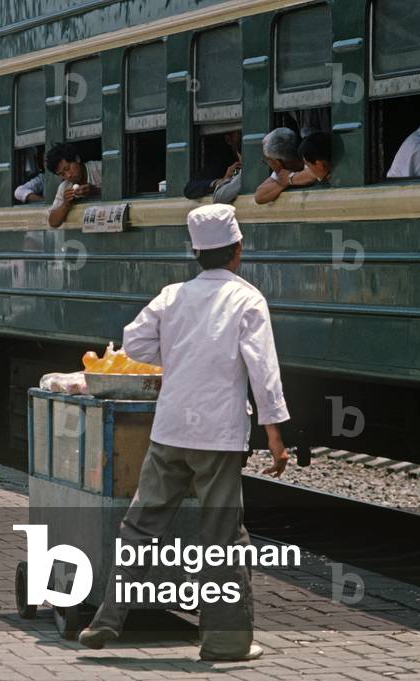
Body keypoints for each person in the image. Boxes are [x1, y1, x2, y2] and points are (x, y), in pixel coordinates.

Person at [77, 203, 290, 661]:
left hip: (170, 430)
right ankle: (225, 642)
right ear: (238, 249)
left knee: (138, 527)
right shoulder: (247, 298)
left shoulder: (172, 295)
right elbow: (263, 370)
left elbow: (133, 341)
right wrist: (274, 432)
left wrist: (175, 354)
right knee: (221, 540)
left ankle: (108, 619)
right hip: (217, 436)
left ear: (197, 253)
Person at [45, 142, 102, 228]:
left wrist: (95, 191)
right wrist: (66, 204)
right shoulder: (64, 187)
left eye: (67, 168)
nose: (68, 175)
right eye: (62, 174)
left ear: (77, 159)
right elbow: (53, 222)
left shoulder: (100, 169)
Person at [184, 130, 242, 201]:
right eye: (240, 135)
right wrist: (220, 182)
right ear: (228, 139)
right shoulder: (221, 161)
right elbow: (190, 189)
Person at [253, 128, 304, 205]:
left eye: (267, 161)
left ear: (277, 162)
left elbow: (314, 174)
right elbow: (259, 196)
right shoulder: (282, 171)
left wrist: (288, 179)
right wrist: (281, 184)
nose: (267, 164)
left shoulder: (309, 161)